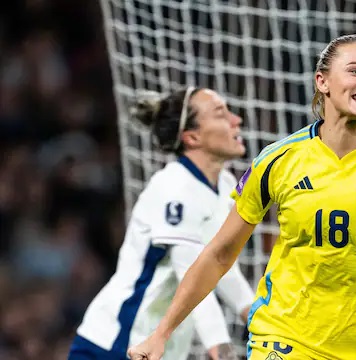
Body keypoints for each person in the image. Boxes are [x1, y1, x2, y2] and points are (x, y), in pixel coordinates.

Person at [128, 34, 356, 360]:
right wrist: (162, 333)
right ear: (322, 82)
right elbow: (219, 254)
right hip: (282, 339)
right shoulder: (278, 160)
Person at [68, 87, 255, 360]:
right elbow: (190, 276)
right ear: (192, 137)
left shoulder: (226, 185)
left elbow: (222, 266)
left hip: (158, 350)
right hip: (118, 343)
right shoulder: (174, 188)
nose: (236, 120)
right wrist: (221, 349)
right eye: (220, 113)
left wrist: (256, 317)